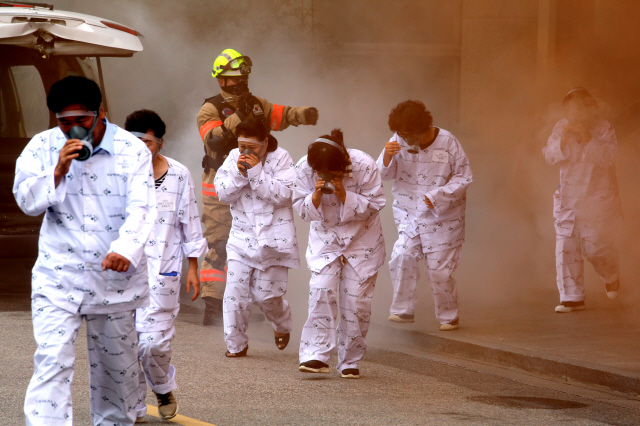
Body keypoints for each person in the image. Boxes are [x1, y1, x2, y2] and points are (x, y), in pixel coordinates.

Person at [14, 76, 156, 426]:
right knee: (51, 360)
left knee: (116, 375)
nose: (73, 129)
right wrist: (58, 170)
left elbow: (142, 207)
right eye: (65, 122)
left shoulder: (132, 150)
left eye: (82, 121)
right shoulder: (40, 147)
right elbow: (26, 201)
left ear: (101, 112)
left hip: (114, 279)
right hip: (57, 276)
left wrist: (125, 248)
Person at [197, 48, 319, 326]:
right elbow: (214, 139)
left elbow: (281, 114)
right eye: (234, 78)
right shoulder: (210, 108)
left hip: (256, 182)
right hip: (223, 183)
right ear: (221, 80)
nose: (240, 82)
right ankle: (214, 302)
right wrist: (236, 117)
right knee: (219, 242)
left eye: (243, 77)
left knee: (254, 242)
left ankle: (250, 301)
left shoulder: (256, 104)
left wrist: (302, 114)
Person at [124, 110, 207, 421]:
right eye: (135, 142)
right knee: (126, 345)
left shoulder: (179, 174)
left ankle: (161, 386)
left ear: (159, 142)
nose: (141, 149)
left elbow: (190, 222)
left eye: (147, 142)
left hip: (164, 270)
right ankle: (131, 406)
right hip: (123, 271)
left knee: (153, 343)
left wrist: (194, 268)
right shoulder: (118, 173)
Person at [293, 129, 386, 379]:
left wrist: (345, 194)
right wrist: (314, 195)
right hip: (326, 239)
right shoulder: (303, 167)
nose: (329, 175)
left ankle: (350, 360)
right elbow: (300, 210)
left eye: (335, 172)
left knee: (356, 303)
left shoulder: (364, 164)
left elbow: (377, 203)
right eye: (322, 172)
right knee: (321, 290)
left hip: (362, 239)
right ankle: (315, 355)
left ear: (344, 163)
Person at [378, 100, 472, 331]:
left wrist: (438, 196)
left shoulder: (447, 142)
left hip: (443, 217)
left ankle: (449, 315)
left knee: (439, 270)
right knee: (402, 255)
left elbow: (464, 177)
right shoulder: (396, 139)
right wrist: (387, 157)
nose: (405, 139)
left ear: (423, 128)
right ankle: (403, 310)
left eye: (410, 135)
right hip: (409, 213)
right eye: (401, 134)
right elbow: (381, 174)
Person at [213, 118, 298, 357]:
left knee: (267, 297)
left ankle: (282, 323)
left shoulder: (281, 157)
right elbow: (222, 193)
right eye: (242, 147)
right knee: (234, 294)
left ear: (266, 143)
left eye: (253, 147)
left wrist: (257, 172)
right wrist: (241, 175)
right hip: (241, 238)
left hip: (274, 240)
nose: (246, 152)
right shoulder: (232, 158)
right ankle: (236, 345)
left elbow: (284, 194)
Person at [543, 88, 623, 313]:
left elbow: (609, 158)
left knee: (596, 247)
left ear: (591, 109)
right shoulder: (561, 127)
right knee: (566, 245)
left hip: (597, 196)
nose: (576, 115)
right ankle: (572, 297)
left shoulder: (604, 127)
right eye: (571, 110)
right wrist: (564, 139)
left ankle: (611, 274)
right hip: (567, 196)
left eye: (581, 109)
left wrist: (588, 138)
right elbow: (549, 156)